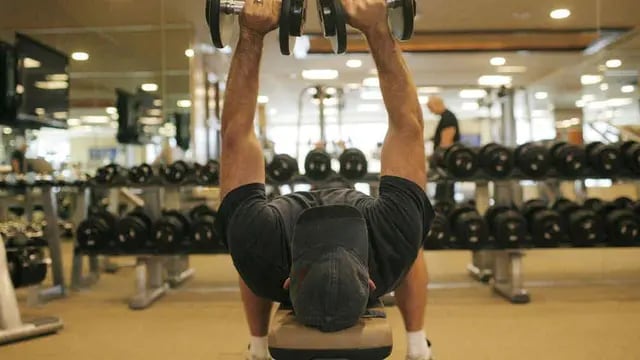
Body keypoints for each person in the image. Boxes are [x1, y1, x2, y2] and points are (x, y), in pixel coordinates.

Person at [214, 1, 434, 360]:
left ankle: (257, 346)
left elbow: (237, 135)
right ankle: (417, 343)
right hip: (353, 214)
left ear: (286, 285)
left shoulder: (262, 247)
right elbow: (407, 127)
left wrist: (251, 34)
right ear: (373, 286)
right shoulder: (391, 240)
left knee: (248, 250)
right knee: (412, 246)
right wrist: (377, 29)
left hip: (282, 224)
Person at [426, 96, 460, 202]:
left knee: (445, 196)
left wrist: (432, 157)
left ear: (436, 104)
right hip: (444, 164)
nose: (430, 111)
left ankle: (446, 213)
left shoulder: (448, 118)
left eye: (430, 108)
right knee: (441, 193)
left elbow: (446, 143)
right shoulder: (445, 117)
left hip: (445, 165)